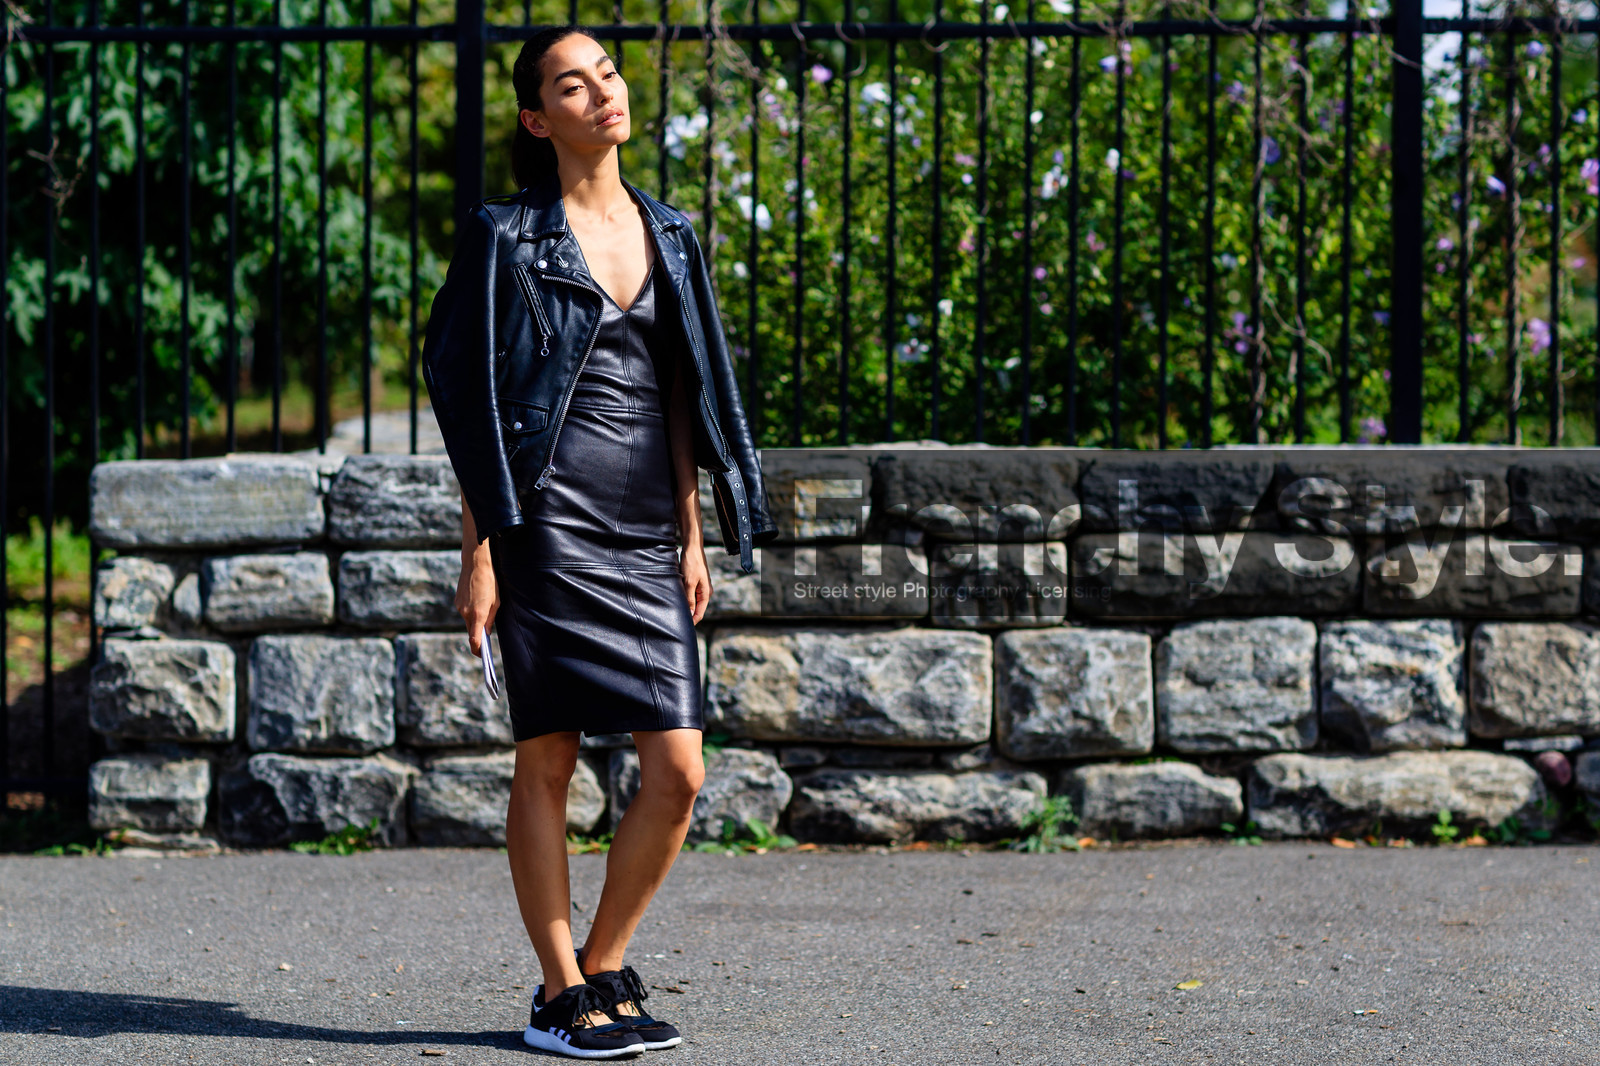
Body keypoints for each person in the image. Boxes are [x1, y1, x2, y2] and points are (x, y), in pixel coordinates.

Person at [420, 24, 778, 1060]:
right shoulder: (505, 236)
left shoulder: (670, 232)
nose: (600, 94)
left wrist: (692, 530)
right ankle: (557, 990)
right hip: (545, 520)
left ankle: (604, 962)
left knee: (678, 768)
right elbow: (470, 398)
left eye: (607, 75)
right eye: (571, 86)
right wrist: (479, 549)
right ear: (539, 118)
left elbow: (683, 393)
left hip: (642, 528)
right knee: (550, 759)